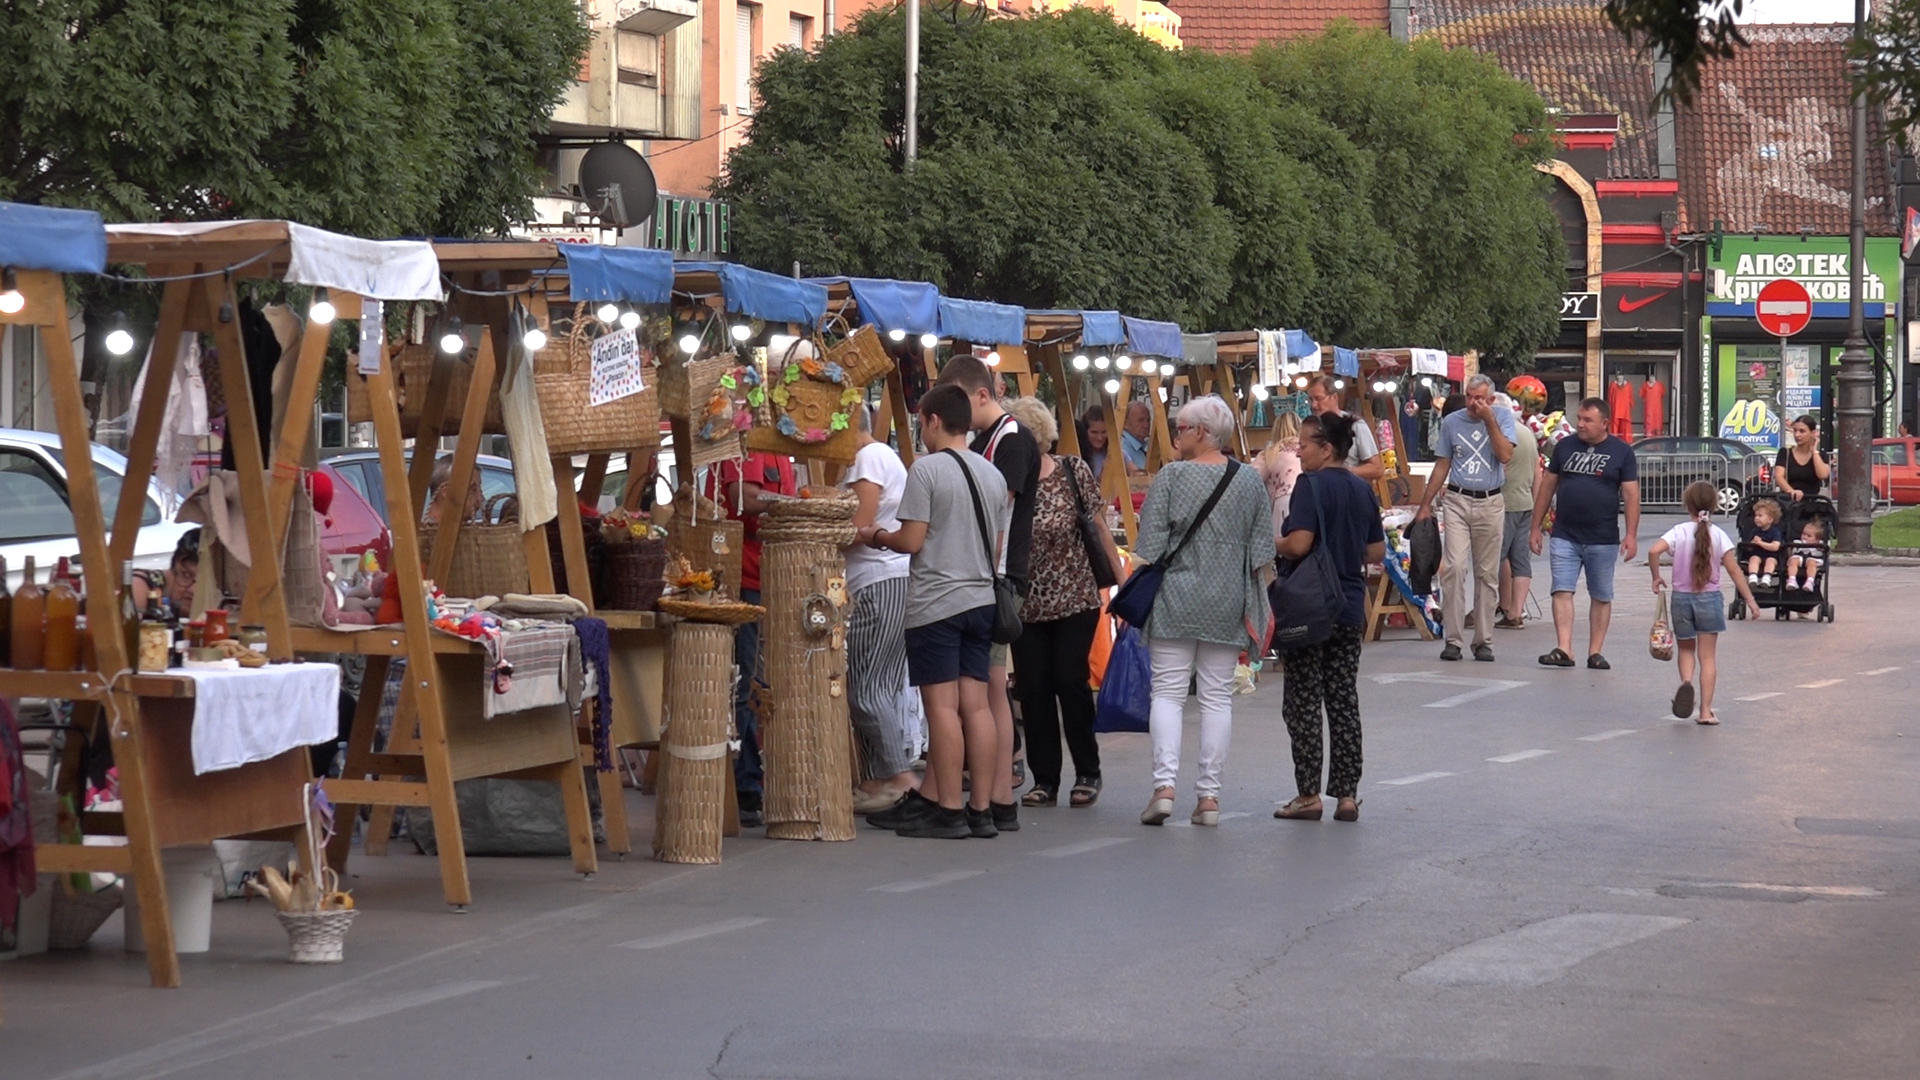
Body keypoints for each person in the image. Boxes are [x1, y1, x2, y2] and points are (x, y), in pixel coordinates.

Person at [858, 385, 1008, 839]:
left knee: (941, 708)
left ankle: (948, 808)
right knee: (976, 707)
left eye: (921, 421)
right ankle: (980, 809)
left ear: (933, 420)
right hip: (982, 601)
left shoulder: (926, 471)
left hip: (936, 603)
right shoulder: (992, 474)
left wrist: (876, 536)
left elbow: (911, 541)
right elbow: (997, 546)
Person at [1134, 395, 1274, 827]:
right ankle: (1209, 797)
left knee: (1168, 694)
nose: (1175, 435)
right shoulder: (1249, 482)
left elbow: (1149, 547)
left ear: (1200, 432)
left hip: (1174, 597)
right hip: (1226, 599)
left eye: (1180, 428)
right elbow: (1263, 552)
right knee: (1216, 699)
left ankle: (1163, 787)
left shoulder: (1171, 477)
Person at [1003, 397, 1124, 810]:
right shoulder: (1007, 481)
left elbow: (1100, 530)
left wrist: (1124, 586)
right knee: (1033, 689)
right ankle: (1046, 779)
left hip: (1075, 598)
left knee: (1070, 682)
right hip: (1026, 602)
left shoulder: (1073, 471)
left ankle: (1088, 771)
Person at [931, 356, 1036, 832]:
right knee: (986, 687)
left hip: (997, 576)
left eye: (957, 398)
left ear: (980, 394)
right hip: (988, 575)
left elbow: (1001, 513)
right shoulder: (987, 440)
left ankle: (994, 796)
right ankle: (988, 798)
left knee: (991, 687)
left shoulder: (1011, 439)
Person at [1273, 413, 1386, 824]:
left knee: (1303, 700)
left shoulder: (1310, 485)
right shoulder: (1361, 488)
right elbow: (1375, 553)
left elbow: (1299, 544)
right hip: (1350, 604)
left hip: (1310, 605)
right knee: (1342, 699)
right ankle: (1347, 795)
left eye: (1304, 444)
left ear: (1326, 448)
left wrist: (1276, 542)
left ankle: (1308, 795)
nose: (1298, 451)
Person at [705, 449, 798, 828]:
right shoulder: (744, 448)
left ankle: (755, 779)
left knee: (758, 683)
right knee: (743, 683)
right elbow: (745, 495)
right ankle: (746, 785)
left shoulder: (779, 449)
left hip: (770, 575)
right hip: (743, 578)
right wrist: (795, 506)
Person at [840, 405, 918, 815]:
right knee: (881, 685)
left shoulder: (868, 457)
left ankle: (900, 776)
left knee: (866, 688)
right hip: (889, 580)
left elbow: (858, 525)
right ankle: (877, 779)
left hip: (878, 581)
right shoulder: (882, 455)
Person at [1529, 397, 1640, 670]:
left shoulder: (1622, 452)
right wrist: (1535, 526)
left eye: (1587, 420)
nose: (1580, 424)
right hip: (1565, 533)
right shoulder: (1565, 447)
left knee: (1601, 594)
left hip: (1602, 537)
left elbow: (1631, 494)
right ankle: (1564, 647)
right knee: (1561, 589)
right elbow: (1547, 487)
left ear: (1604, 423)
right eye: (1579, 418)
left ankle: (1595, 651)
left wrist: (1631, 534)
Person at [1414, 373, 1516, 662]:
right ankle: (1453, 639)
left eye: (1480, 398)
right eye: (1470, 397)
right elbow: (1442, 464)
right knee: (1454, 568)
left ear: (1491, 399)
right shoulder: (1451, 421)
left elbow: (1505, 454)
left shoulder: (1502, 417)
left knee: (1486, 573)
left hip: (1491, 500)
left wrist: (1489, 420)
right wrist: (1425, 504)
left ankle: (1484, 640)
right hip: (1458, 498)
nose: (1474, 403)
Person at [1649, 481, 1759, 725]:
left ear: (1687, 505)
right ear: (1714, 507)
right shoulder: (1718, 536)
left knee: (1686, 649)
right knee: (1707, 658)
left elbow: (1654, 551)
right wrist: (1750, 601)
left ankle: (1687, 683)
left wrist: (1656, 577)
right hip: (1709, 599)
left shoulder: (1678, 531)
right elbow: (1734, 571)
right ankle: (1706, 711)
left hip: (1681, 599)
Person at [1497, 393, 1540, 629]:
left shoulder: (1502, 435)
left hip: (1504, 502)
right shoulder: (1527, 432)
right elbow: (1538, 471)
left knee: (1494, 557)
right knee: (1520, 560)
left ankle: (1492, 605)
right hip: (1525, 502)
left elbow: (1498, 468)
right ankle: (1516, 611)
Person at [1304, 375, 1384, 481]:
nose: (1314, 405)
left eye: (1319, 399)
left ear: (1334, 397)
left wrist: (1344, 472)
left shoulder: (1355, 425)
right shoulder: (1309, 427)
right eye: (1310, 400)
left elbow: (1377, 469)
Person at [1255, 412, 1303, 540]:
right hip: (1306, 497)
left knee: (1281, 545)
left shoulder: (1269, 453)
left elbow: (1251, 478)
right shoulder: (1306, 449)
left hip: (1283, 501)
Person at [131, 528, 201, 614]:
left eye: (205, 582)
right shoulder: (145, 588)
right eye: (186, 575)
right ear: (172, 569)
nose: (193, 590)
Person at [1775, 414, 1831, 502]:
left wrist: (1814, 452)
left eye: (1802, 431)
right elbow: (1779, 476)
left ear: (1812, 433)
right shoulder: (1785, 453)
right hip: (1789, 502)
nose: (1797, 435)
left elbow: (1823, 475)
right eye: (1795, 430)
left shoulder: (1821, 455)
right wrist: (1791, 491)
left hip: (1812, 502)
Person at [1742, 498, 1784, 586]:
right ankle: (1753, 577)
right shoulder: (1755, 531)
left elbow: (1775, 546)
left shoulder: (1775, 532)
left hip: (1771, 555)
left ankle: (1767, 578)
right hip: (1757, 554)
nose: (1756, 518)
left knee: (1770, 561)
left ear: (1770, 520)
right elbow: (1748, 546)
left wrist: (1761, 543)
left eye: (1760, 516)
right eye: (1756, 515)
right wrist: (1752, 543)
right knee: (1754, 559)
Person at [1785, 519, 1826, 590]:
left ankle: (1810, 581)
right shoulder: (1797, 542)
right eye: (1803, 534)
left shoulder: (1819, 544)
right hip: (1799, 557)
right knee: (1793, 561)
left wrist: (1820, 546)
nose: (1805, 537)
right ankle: (1792, 579)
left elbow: (1824, 549)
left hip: (1813, 558)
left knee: (1812, 564)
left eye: (1809, 536)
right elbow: (1791, 549)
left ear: (1817, 539)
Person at [1080, 406, 1111, 480]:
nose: (1099, 438)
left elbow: (1136, 474)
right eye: (1094, 432)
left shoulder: (1116, 453)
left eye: (1104, 432)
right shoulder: (1078, 454)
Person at [1121, 400, 1152, 472]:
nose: (1146, 425)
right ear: (1125, 423)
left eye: (1148, 420)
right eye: (1140, 420)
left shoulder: (1146, 446)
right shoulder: (1122, 448)